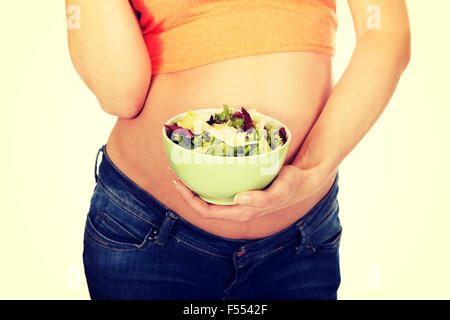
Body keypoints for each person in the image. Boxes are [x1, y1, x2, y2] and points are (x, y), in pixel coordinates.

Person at [66, 0, 410, 300]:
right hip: (150, 235)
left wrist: (310, 170)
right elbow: (119, 94)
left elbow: (384, 32)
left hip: (299, 242)